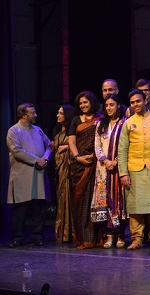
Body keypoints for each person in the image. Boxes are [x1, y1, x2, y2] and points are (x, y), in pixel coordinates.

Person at [118, 89, 150, 250]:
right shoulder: (128, 122)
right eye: (132, 102)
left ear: (145, 100)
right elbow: (122, 149)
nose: (135, 104)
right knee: (135, 206)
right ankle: (136, 238)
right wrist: (123, 172)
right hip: (134, 167)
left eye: (138, 101)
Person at [7, 103, 52, 247]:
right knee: (21, 207)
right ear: (24, 115)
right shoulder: (14, 131)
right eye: (33, 113)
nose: (36, 115)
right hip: (23, 175)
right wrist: (36, 160)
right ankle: (18, 237)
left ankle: (37, 235)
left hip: (38, 174)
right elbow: (16, 151)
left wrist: (45, 158)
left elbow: (50, 145)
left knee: (39, 207)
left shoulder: (38, 130)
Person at [68, 91, 102, 249]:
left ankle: (98, 238)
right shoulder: (75, 120)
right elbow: (72, 142)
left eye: (85, 102)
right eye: (80, 103)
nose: (83, 105)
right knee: (80, 203)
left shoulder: (100, 119)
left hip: (96, 165)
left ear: (92, 102)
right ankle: (84, 239)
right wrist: (77, 157)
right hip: (79, 166)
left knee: (95, 200)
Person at [93, 94, 128, 248]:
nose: (108, 108)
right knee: (107, 200)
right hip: (103, 168)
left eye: (112, 105)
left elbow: (128, 145)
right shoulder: (100, 124)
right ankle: (109, 234)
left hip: (119, 166)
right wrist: (106, 161)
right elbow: (97, 146)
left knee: (119, 201)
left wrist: (116, 161)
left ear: (118, 105)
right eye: (106, 105)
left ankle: (120, 234)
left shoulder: (124, 123)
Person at [53, 104, 76, 243]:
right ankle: (62, 231)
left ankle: (71, 231)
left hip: (69, 167)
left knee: (68, 195)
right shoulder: (56, 130)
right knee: (61, 196)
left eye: (61, 113)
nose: (58, 115)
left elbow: (78, 143)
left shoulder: (72, 130)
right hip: (58, 168)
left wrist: (67, 146)